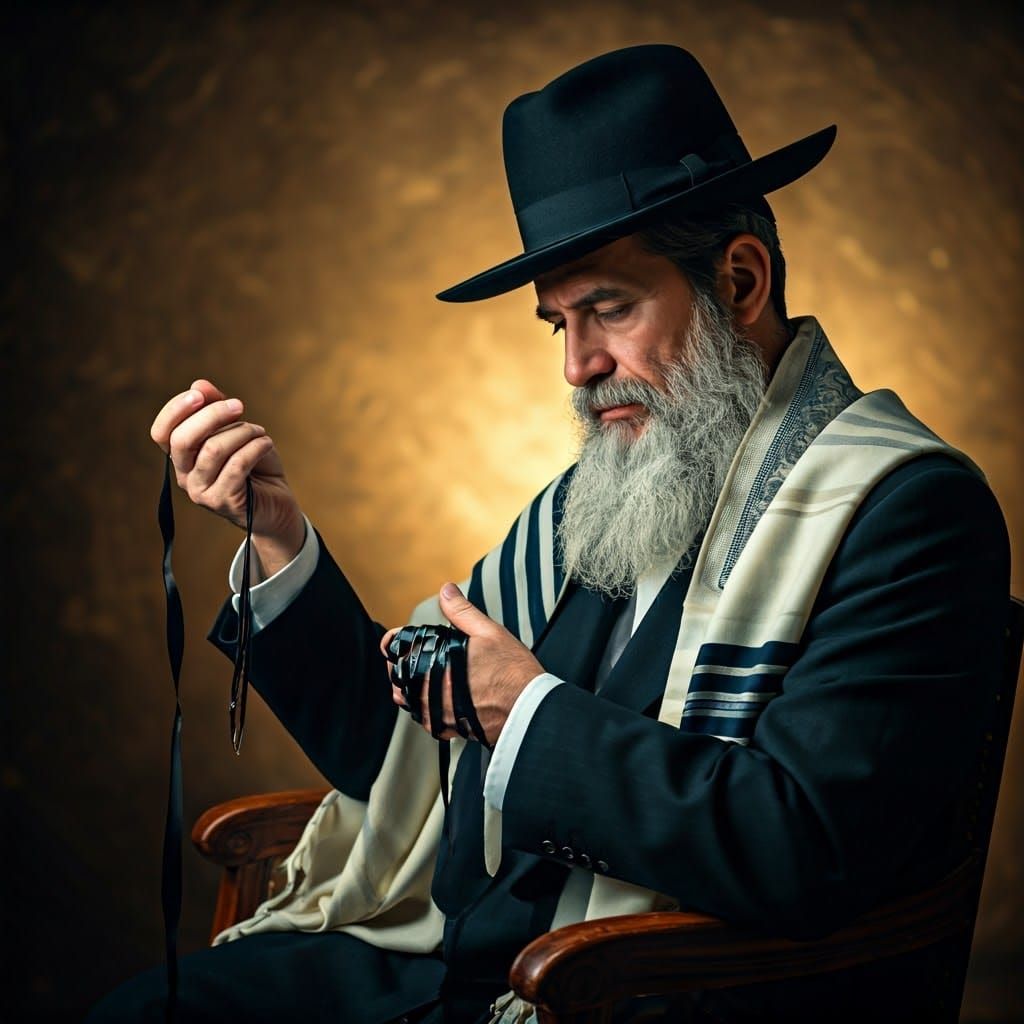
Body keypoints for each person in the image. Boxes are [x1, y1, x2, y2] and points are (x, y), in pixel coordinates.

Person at [90, 44, 1009, 1023]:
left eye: (608, 308)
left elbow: (802, 845)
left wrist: (526, 715)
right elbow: (405, 753)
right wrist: (277, 536)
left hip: (631, 991)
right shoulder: (610, 497)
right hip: (450, 965)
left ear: (741, 282)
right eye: (557, 323)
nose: (577, 365)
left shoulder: (902, 507)